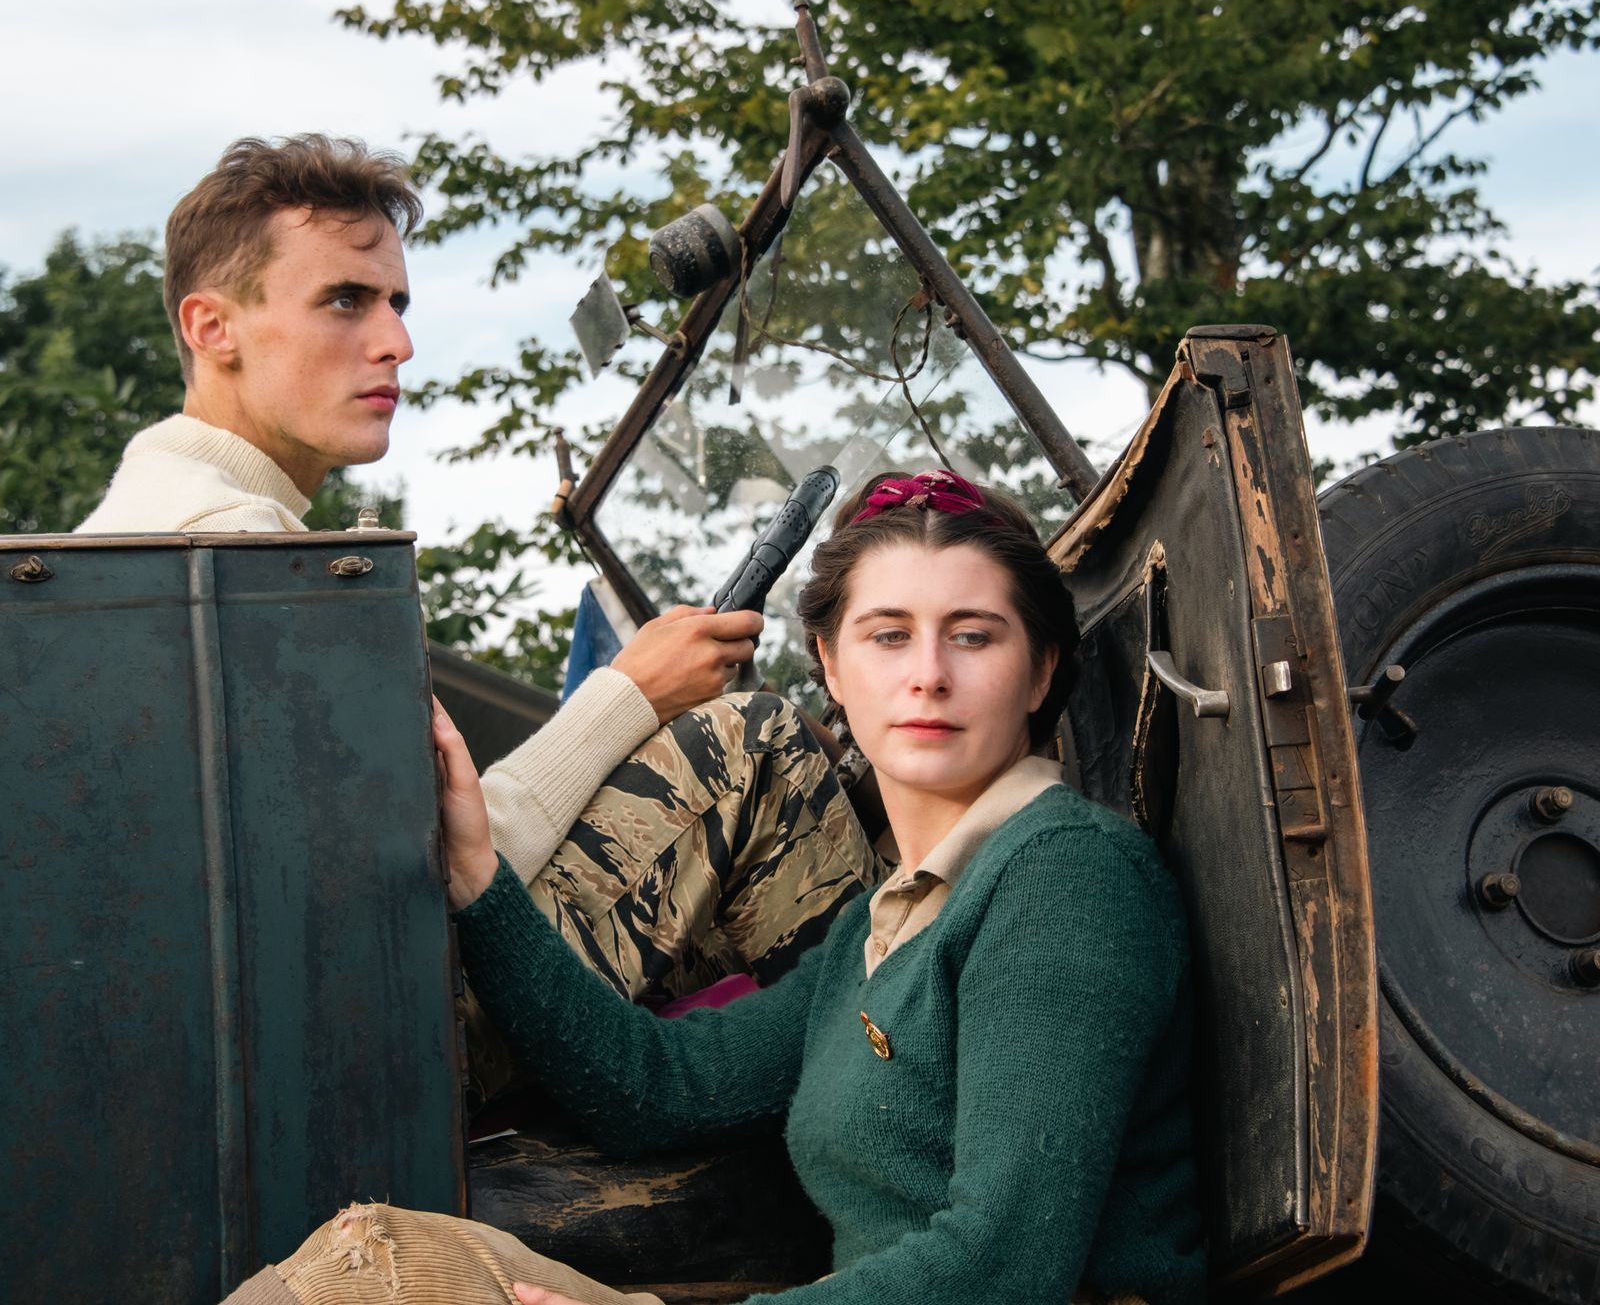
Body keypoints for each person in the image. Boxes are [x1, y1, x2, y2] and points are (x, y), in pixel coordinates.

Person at [225, 470, 1205, 1305]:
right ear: (830, 666)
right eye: (888, 635)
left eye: (975, 636)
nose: (929, 676)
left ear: (1041, 671)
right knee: (373, 1259)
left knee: (380, 1274)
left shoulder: (1064, 877)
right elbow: (654, 1088)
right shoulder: (879, 927)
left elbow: (1002, 1267)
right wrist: (479, 878)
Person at [75, 133, 882, 1101]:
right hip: (374, 1046)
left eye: (398, 304)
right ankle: (900, 1123)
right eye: (345, 301)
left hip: (275, 1044)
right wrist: (632, 693)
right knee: (753, 748)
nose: (397, 343)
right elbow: (424, 867)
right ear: (213, 328)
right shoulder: (239, 557)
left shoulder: (153, 522)